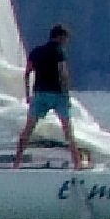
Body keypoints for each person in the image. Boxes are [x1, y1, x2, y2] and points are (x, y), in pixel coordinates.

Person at [14, 23, 80, 168]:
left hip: (40, 94)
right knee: (68, 131)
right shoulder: (59, 51)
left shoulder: (36, 52)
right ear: (61, 37)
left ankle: (16, 163)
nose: (66, 42)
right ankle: (77, 164)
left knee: (28, 130)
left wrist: (27, 94)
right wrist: (67, 93)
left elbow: (27, 73)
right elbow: (63, 73)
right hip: (57, 95)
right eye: (66, 38)